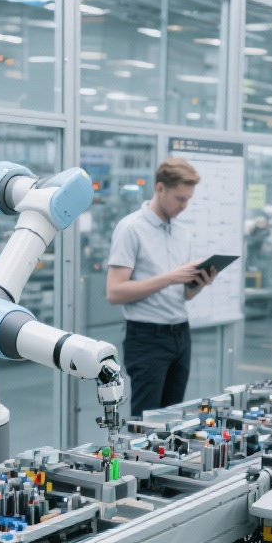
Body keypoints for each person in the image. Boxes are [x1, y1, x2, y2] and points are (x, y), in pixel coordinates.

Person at [106, 158, 216, 419]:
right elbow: (115, 292)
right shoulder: (130, 228)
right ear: (160, 189)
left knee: (172, 420)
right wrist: (169, 277)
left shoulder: (183, 232)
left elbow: (183, 294)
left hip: (180, 334)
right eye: (179, 198)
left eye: (188, 199)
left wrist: (198, 284)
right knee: (145, 422)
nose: (184, 206)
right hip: (146, 338)